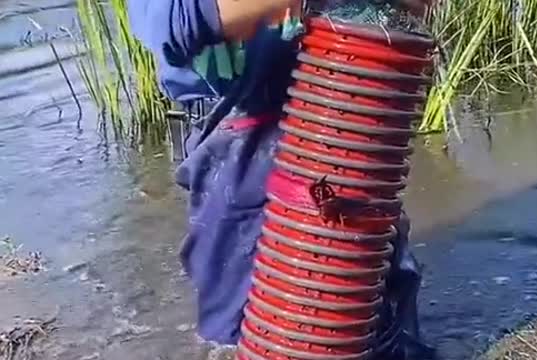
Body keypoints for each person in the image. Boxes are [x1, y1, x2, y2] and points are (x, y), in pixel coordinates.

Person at [127, 1, 435, 358]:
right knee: (260, 329)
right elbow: (176, 25)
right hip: (240, 140)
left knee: (367, 313)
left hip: (350, 121)